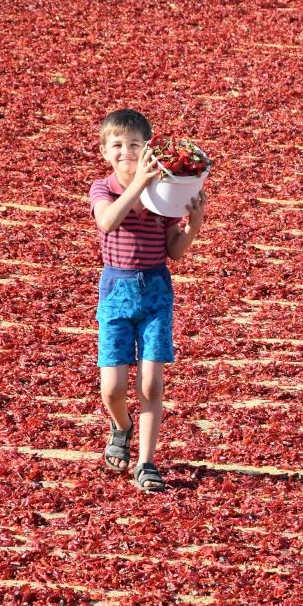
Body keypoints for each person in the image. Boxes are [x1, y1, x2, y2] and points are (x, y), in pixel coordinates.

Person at [89, 108, 206, 491]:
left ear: (149, 150)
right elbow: (107, 221)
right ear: (104, 151)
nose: (126, 151)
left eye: (135, 145)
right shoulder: (103, 189)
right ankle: (121, 426)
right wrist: (139, 183)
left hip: (156, 290)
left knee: (152, 385)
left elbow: (175, 251)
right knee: (112, 390)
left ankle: (146, 462)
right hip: (116, 291)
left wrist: (193, 225)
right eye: (117, 145)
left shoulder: (163, 195)